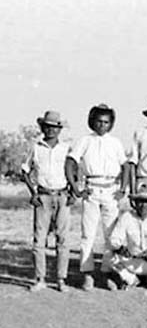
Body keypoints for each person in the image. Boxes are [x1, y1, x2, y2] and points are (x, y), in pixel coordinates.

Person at [65, 104, 130, 291]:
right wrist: (76, 188)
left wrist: (123, 189)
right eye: (99, 122)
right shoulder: (85, 140)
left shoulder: (115, 142)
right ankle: (87, 274)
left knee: (111, 234)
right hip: (91, 190)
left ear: (111, 124)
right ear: (92, 122)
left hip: (111, 190)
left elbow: (125, 166)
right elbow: (71, 162)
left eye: (106, 122)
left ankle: (108, 272)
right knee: (88, 234)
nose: (102, 125)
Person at [21, 111, 72, 292]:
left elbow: (73, 170)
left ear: (60, 130)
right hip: (43, 196)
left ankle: (60, 279)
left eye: (55, 127)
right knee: (39, 239)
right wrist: (33, 193)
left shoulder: (66, 148)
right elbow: (25, 170)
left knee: (63, 239)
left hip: (62, 196)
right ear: (43, 128)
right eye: (48, 126)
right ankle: (40, 278)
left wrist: (73, 191)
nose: (51, 130)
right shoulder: (36, 148)